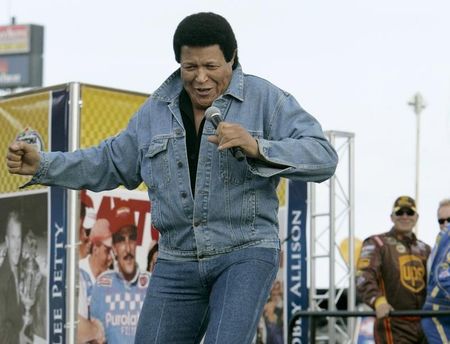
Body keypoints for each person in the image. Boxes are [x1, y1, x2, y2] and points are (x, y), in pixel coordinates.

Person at [6, 12, 338, 343]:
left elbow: (323, 156)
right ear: (179, 62)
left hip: (245, 250)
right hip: (176, 258)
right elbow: (107, 161)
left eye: (211, 67)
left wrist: (256, 146)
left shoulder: (266, 99)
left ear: (232, 58)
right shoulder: (154, 112)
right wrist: (43, 164)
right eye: (190, 67)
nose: (200, 78)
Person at [356, 196, 431, 343]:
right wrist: (377, 300)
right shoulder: (377, 243)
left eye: (409, 212)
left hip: (425, 325)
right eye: (399, 212)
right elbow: (363, 276)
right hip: (392, 323)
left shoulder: (426, 249)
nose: (405, 216)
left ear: (416, 217)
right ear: (392, 217)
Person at [90, 206, 150, 343]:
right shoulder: (101, 285)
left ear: (137, 243)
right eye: (121, 240)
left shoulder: (151, 284)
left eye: (132, 238)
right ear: (114, 248)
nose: (128, 248)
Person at [77, 218, 113, 343]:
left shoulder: (111, 279)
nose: (110, 258)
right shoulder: (78, 272)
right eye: (107, 251)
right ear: (95, 248)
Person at [421, 198, 450, 343]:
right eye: (441, 221)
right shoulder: (440, 244)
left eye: (449, 219)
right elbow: (442, 278)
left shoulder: (438, 245)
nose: (446, 224)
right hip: (441, 314)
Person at [0, 211, 23, 344]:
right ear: (7, 241)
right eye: (13, 238)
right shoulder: (1, 281)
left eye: (19, 238)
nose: (17, 246)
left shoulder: (21, 269)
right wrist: (21, 337)